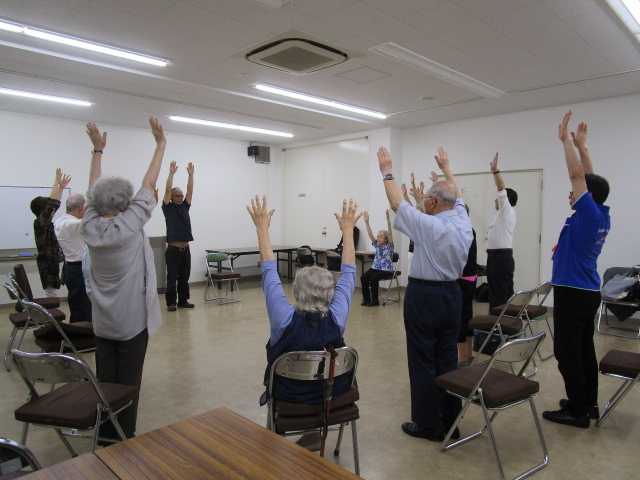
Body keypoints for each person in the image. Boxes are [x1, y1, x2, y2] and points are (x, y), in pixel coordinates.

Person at [377, 146, 473, 442]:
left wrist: (387, 171)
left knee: (422, 360)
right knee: (447, 359)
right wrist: (447, 168)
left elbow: (397, 203)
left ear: (431, 201)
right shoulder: (463, 219)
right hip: (451, 296)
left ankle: (428, 423)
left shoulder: (429, 225)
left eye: (426, 201)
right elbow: (456, 194)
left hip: (424, 297)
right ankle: (451, 420)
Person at [81, 118, 165, 439]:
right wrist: (160, 145)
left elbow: (92, 192)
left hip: (103, 322)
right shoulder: (129, 227)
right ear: (128, 204)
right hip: (131, 324)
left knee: (106, 380)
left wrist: (98, 150)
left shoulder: (88, 226)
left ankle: (105, 434)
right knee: (128, 383)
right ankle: (123, 439)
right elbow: (149, 182)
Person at [247, 195, 360, 405]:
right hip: (334, 394)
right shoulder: (337, 317)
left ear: (297, 291)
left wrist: (262, 229)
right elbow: (348, 274)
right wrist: (348, 231)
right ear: (330, 293)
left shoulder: (283, 318)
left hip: (289, 395)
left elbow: (269, 272)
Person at [542, 110, 610, 429]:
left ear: (586, 198)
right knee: (583, 351)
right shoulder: (601, 214)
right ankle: (587, 403)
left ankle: (577, 413)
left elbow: (579, 180)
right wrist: (584, 149)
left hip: (572, 292)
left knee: (568, 354)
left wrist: (566, 142)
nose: (571, 195)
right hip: (587, 292)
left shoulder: (588, 216)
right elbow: (590, 182)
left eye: (577, 194)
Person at [30, 168, 71, 297]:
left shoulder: (44, 223)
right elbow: (52, 203)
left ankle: (51, 313)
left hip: (51, 261)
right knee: (51, 293)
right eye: (49, 209)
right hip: (47, 264)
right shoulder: (41, 223)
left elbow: (54, 204)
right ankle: (50, 315)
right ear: (43, 211)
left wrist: (61, 188)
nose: (53, 211)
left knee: (52, 291)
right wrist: (56, 182)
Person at [486, 153, 517, 311]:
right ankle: (499, 327)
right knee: (495, 294)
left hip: (501, 257)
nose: (495, 200)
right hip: (493, 257)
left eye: (497, 199)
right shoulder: (499, 214)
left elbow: (501, 191)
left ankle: (499, 330)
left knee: (500, 296)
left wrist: (495, 172)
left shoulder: (507, 211)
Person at [162, 161, 195, 311]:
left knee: (184, 278)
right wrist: (171, 174)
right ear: (171, 197)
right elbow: (168, 189)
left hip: (185, 250)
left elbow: (190, 191)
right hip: (173, 251)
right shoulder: (167, 208)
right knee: (172, 278)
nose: (180, 197)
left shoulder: (185, 206)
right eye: (177, 196)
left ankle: (183, 300)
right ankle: (171, 302)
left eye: (181, 195)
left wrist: (191, 176)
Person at [54, 193, 92, 323]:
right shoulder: (70, 224)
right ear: (81, 208)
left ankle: (78, 333)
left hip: (71, 267)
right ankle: (80, 337)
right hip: (78, 269)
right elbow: (91, 221)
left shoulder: (60, 221)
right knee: (82, 307)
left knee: (78, 304)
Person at [360, 209, 394, 307]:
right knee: (364, 277)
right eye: (378, 236)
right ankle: (366, 299)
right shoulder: (377, 245)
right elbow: (370, 234)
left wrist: (388, 221)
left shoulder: (389, 246)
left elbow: (391, 234)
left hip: (385, 269)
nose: (378, 238)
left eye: (381, 236)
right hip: (375, 268)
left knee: (373, 278)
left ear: (386, 239)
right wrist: (366, 221)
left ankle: (375, 301)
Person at [457, 204, 477, 366]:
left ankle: (462, 356)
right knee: (467, 314)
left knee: (461, 317)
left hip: (463, 278)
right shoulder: (470, 229)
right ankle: (468, 352)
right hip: (470, 277)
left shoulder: (463, 230)